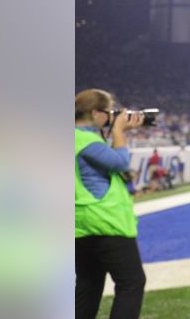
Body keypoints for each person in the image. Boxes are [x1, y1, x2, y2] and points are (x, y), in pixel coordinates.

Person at [75, 89, 147, 319]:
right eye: (108, 113)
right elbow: (120, 162)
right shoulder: (84, 139)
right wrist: (118, 131)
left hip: (81, 224)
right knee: (131, 283)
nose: (111, 117)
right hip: (105, 221)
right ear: (95, 113)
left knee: (88, 286)